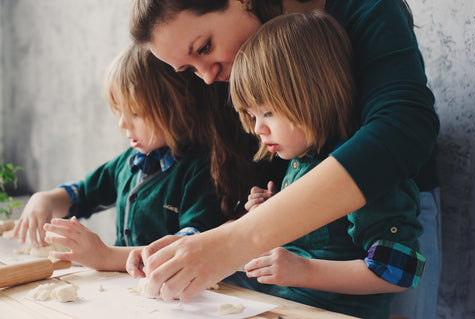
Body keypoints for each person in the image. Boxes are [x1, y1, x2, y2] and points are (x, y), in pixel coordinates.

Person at [126, 1, 441, 318]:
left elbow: (401, 131)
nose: (206, 77)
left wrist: (235, 243)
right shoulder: (287, 147)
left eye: (205, 47)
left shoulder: (365, 10)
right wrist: (202, 239)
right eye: (190, 70)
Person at [226, 11, 425, 319]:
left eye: (267, 112)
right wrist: (274, 210)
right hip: (283, 306)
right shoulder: (301, 162)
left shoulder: (366, 174)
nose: (257, 129)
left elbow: (398, 271)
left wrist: (300, 269)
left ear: (312, 93)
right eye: (252, 116)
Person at [12, 43, 227, 271]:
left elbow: (187, 248)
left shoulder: (202, 170)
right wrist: (44, 200)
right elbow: (82, 195)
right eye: (119, 111)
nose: (123, 124)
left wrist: (105, 256)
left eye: (135, 113)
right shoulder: (128, 162)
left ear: (177, 107)